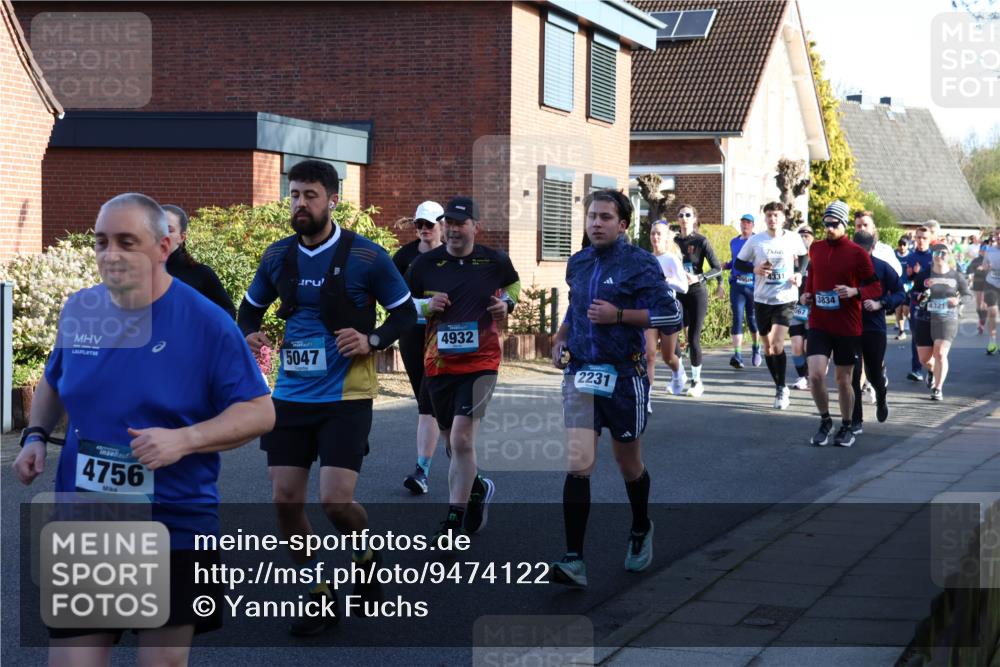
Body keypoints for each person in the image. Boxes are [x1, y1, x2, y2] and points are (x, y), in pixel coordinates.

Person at [13, 193, 274, 665]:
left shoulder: (206, 322)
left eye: (127, 242)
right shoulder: (81, 310)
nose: (111, 254)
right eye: (101, 242)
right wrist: (34, 435)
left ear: (163, 246)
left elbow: (259, 411)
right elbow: (55, 378)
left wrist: (185, 439)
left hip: (173, 523)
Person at [237, 160, 416, 636]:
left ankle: (366, 553)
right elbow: (247, 310)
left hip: (346, 396)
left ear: (333, 200)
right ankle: (318, 591)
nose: (300, 203)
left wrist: (372, 341)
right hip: (291, 397)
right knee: (285, 501)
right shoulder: (277, 257)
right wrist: (250, 335)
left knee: (336, 502)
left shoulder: (368, 258)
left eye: (310, 195)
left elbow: (404, 317)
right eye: (294, 194)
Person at [549, 189, 682, 588]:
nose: (596, 223)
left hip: (624, 377)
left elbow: (671, 313)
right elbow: (575, 308)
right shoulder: (579, 261)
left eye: (605, 217)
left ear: (623, 224)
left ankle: (641, 526)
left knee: (628, 464)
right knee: (579, 465)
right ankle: (574, 559)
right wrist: (559, 338)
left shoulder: (639, 263)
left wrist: (620, 315)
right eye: (592, 216)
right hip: (582, 374)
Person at [407, 196, 520, 544]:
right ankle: (478, 487)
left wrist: (507, 304)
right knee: (450, 442)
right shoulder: (425, 264)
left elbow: (513, 285)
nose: (454, 230)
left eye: (460, 223)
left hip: (482, 363)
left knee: (461, 438)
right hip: (439, 365)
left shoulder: (494, 260)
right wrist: (425, 305)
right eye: (449, 224)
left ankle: (453, 522)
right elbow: (402, 305)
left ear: (475, 226)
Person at [800, 200, 879, 448]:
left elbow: (874, 286)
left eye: (835, 224)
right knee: (814, 375)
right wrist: (806, 294)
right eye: (826, 223)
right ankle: (825, 421)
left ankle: (846, 425)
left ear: (844, 225)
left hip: (847, 325)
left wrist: (854, 291)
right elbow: (812, 278)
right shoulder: (816, 248)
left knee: (843, 380)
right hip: (819, 322)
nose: (830, 228)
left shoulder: (857, 253)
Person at [733, 202, 808, 410]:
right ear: (764, 219)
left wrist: (798, 274)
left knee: (776, 344)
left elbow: (804, 256)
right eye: (768, 216)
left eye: (775, 215)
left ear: (783, 217)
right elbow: (739, 263)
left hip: (785, 297)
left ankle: (782, 388)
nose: (772, 219)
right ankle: (779, 385)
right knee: (767, 347)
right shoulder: (757, 241)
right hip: (762, 299)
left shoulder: (793, 238)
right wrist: (754, 268)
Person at [393, 201, 445, 495]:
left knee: (429, 402)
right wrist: (425, 305)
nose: (424, 230)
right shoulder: (404, 256)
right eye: (419, 225)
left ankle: (422, 470)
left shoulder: (451, 254)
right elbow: (392, 299)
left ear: (442, 224)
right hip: (412, 334)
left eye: (429, 225)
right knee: (426, 402)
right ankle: (459, 453)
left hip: (443, 337)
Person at [850, 231, 905, 431]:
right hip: (849, 327)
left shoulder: (882, 267)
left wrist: (881, 303)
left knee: (873, 374)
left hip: (874, 328)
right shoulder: (846, 267)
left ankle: (881, 396)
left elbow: (901, 293)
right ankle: (856, 420)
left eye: (864, 251)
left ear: (872, 248)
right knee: (853, 375)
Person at [674, 204, 724, 396]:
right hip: (678, 292)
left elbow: (717, 267)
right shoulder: (673, 240)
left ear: (694, 218)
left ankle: (696, 382)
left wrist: (700, 278)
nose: (684, 217)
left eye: (688, 214)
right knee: (672, 333)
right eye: (681, 215)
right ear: (677, 219)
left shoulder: (701, 241)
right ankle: (679, 375)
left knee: (693, 338)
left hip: (696, 292)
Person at [914, 244, 972, 400]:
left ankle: (938, 388)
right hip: (925, 318)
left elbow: (967, 295)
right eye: (936, 252)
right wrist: (919, 296)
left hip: (947, 319)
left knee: (940, 353)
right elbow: (913, 293)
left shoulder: (956, 276)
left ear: (949, 255)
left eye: (943, 253)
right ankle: (932, 371)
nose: (940, 255)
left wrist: (958, 300)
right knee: (924, 359)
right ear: (932, 255)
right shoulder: (925, 275)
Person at [162, 204, 237, 318]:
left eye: (169, 230)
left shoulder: (201, 274)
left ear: (182, 237)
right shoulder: (138, 273)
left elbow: (228, 312)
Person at [646, 220, 688, 397]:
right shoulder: (646, 259)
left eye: (659, 234)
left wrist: (666, 281)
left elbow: (684, 286)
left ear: (665, 239)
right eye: (653, 233)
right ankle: (645, 398)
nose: (655, 237)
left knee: (668, 356)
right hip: (649, 310)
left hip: (669, 310)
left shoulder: (671, 259)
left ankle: (679, 373)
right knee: (648, 355)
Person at [724, 214, 762, 370]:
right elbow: (735, 260)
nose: (745, 225)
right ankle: (738, 355)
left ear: (753, 225)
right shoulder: (734, 241)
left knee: (752, 319)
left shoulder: (758, 241)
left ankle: (756, 347)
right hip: (737, 285)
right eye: (743, 222)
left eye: (748, 223)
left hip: (753, 285)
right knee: (737, 318)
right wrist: (726, 265)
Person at [903, 225, 936, 381]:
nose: (921, 241)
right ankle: (916, 369)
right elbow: (908, 280)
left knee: (933, 337)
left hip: (934, 302)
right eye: (919, 238)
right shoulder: (910, 257)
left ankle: (932, 367)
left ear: (930, 239)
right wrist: (911, 276)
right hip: (916, 302)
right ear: (914, 238)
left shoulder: (935, 257)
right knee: (916, 336)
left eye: (924, 238)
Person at [789, 224, 815, 390]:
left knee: (809, 346)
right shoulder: (790, 258)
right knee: (797, 345)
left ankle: (814, 373)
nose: (804, 237)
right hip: (795, 308)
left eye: (808, 235)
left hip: (814, 308)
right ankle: (802, 376)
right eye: (801, 235)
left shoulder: (818, 258)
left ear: (812, 238)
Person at [853, 211, 902, 276]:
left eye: (865, 225)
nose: (862, 228)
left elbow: (897, 273)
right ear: (855, 229)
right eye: (859, 226)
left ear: (873, 227)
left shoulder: (885, 251)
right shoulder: (849, 251)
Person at [980, 237, 1000, 355]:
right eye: (997, 234)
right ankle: (992, 342)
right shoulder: (990, 251)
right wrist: (986, 267)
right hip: (991, 283)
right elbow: (984, 265)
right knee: (992, 311)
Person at [967, 243, 989, 335]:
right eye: (983, 251)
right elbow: (968, 270)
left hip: (988, 283)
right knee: (979, 305)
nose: (985, 252)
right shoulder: (976, 260)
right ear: (980, 251)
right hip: (978, 283)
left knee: (984, 304)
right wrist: (977, 269)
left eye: (987, 251)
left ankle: (981, 324)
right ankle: (981, 320)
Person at [894, 238, 912, 340]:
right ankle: (902, 332)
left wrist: (910, 285)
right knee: (898, 310)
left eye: (904, 245)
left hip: (908, 287)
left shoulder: (911, 255)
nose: (902, 247)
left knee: (906, 311)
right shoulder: (894, 254)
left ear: (908, 245)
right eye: (900, 245)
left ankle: (914, 326)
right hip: (897, 286)